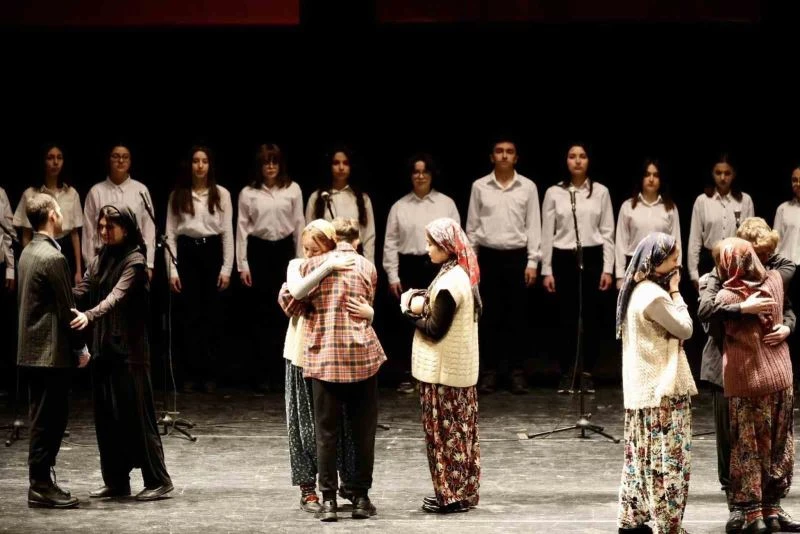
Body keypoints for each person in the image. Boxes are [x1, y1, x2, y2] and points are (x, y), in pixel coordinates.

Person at [698, 218, 797, 532]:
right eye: (756, 254)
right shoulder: (717, 278)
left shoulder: (770, 274)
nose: (762, 262)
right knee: (734, 443)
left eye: (766, 255)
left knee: (769, 442)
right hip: (727, 371)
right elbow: (705, 312)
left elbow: (788, 300)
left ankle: (769, 506)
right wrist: (743, 307)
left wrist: (787, 325)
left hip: (764, 368)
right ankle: (739, 507)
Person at [71, 204, 174, 501]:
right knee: (107, 419)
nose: (103, 232)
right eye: (101, 227)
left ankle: (158, 480)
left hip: (130, 352)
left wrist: (89, 315)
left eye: (109, 227)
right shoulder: (102, 257)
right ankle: (116, 481)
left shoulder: (135, 261)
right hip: (105, 348)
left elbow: (116, 297)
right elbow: (85, 286)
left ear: (125, 228)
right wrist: (60, 292)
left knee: (137, 417)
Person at [278, 219, 371, 513]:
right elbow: (294, 295)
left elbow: (356, 306)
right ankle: (309, 490)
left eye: (315, 249)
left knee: (337, 426)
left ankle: (344, 486)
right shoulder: (300, 266)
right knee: (305, 427)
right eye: (306, 248)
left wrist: (370, 311)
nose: (309, 254)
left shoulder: (345, 269)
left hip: (333, 358)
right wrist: (325, 268)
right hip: (301, 354)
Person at [296, 217, 386, 522]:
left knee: (326, 434)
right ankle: (360, 498)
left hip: (325, 358)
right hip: (361, 356)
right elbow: (368, 305)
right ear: (358, 241)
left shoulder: (311, 266)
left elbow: (291, 302)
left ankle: (329, 502)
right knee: (363, 432)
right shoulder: (367, 267)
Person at [615, 232, 696, 534]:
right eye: (674, 260)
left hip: (643, 392)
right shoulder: (654, 295)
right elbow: (685, 329)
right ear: (658, 262)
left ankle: (632, 518)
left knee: (641, 457)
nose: (678, 266)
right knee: (668, 463)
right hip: (661, 391)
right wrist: (676, 292)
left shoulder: (637, 290)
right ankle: (668, 524)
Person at [403, 217, 481, 514]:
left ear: (446, 247)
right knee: (460, 435)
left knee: (446, 436)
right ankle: (460, 493)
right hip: (454, 371)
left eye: (432, 244)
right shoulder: (458, 273)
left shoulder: (451, 283)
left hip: (443, 373)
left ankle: (451, 496)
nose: (427, 249)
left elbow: (435, 328)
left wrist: (407, 312)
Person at [17, 193, 89, 508]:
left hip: (31, 350)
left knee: (40, 419)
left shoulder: (28, 252)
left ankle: (41, 482)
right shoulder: (53, 257)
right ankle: (41, 485)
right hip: (50, 354)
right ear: (52, 215)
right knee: (50, 421)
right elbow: (67, 310)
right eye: (58, 211)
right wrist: (81, 349)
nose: (61, 216)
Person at [466, 137, 540, 394]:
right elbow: (473, 227)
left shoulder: (528, 187)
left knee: (517, 317)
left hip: (516, 257)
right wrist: (470, 262)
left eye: (510, 151)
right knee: (489, 317)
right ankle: (490, 372)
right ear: (492, 157)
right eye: (499, 151)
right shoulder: (479, 186)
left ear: (516, 158)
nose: (505, 156)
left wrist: (532, 261)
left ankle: (517, 372)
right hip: (488, 257)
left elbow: (533, 225)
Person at [541, 143, 615, 394]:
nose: (577, 161)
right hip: (563, 257)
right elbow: (546, 233)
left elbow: (607, 232)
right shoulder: (554, 192)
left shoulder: (601, 192)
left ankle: (586, 372)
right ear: (565, 161)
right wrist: (547, 269)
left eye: (582, 156)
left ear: (589, 161)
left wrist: (608, 268)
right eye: (572, 156)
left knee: (592, 318)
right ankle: (566, 372)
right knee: (565, 318)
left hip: (592, 256)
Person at [384, 153, 460, 393]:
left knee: (438, 320)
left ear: (431, 174)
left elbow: (456, 239)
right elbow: (390, 243)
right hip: (409, 266)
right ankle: (407, 373)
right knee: (409, 320)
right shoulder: (399, 206)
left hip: (438, 267)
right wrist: (393, 276)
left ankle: (438, 373)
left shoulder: (446, 204)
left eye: (424, 171)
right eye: (415, 171)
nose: (420, 176)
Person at [166, 146, 234, 393]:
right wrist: (173, 270)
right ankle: (189, 374)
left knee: (212, 317)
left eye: (204, 161)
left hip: (211, 252)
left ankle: (210, 375)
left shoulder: (222, 194)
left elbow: (227, 232)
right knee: (188, 317)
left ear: (210, 165)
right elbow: (170, 235)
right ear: (190, 165)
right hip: (186, 254)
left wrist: (227, 268)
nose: (200, 166)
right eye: (196, 161)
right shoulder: (178, 195)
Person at [237, 143, 305, 392]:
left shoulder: (293, 189)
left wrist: (300, 260)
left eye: (274, 162)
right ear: (260, 166)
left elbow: (299, 225)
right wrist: (242, 264)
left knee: (284, 313)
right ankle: (261, 374)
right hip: (259, 251)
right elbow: (242, 229)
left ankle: (282, 374)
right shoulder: (248, 193)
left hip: (284, 251)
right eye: (266, 162)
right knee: (260, 315)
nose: (271, 167)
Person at [83, 144, 156, 278]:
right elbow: (89, 233)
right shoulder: (96, 191)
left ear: (130, 161)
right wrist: (89, 266)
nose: (121, 161)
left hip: (134, 258)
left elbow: (149, 230)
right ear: (109, 160)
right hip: (103, 260)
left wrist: (149, 264)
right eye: (116, 156)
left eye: (125, 157)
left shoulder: (141, 190)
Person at [14, 144, 83, 285]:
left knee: (64, 297)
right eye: (50, 158)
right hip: (37, 246)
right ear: (42, 161)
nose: (55, 162)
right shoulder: (30, 193)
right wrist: (26, 266)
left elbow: (75, 234)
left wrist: (78, 270)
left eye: (59, 158)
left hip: (65, 247)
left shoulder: (71, 193)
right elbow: (26, 235)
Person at [687, 153, 754, 288]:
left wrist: (750, 270)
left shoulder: (745, 201)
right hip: (709, 262)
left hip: (736, 263)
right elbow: (695, 240)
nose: (722, 177)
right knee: (708, 306)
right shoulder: (702, 201)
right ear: (712, 173)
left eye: (727, 173)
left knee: (733, 306)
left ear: (734, 174)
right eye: (718, 173)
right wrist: (694, 273)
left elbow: (750, 240)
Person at [614, 159, 681, 288]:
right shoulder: (628, 207)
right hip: (634, 266)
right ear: (641, 178)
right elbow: (621, 243)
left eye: (655, 175)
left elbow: (676, 242)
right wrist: (620, 275)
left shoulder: (670, 208)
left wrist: (676, 270)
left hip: (662, 267)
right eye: (647, 175)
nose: (651, 179)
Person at [305, 145, 376, 263]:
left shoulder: (362, 199)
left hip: (355, 259)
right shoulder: (317, 198)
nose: (341, 167)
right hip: (324, 259)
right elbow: (309, 234)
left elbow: (369, 236)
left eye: (346, 163)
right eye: (336, 163)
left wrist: (369, 265)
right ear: (329, 166)